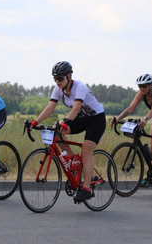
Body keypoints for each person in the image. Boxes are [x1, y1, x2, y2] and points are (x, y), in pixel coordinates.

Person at [28, 61, 107, 203]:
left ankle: (86, 189)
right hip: (81, 119)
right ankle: (73, 160)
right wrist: (35, 122)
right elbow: (49, 108)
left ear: (69, 76)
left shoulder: (80, 87)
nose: (57, 81)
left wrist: (64, 122)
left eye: (60, 78)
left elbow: (76, 108)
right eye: (55, 78)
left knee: (86, 150)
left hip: (96, 119)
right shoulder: (58, 89)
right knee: (56, 133)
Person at [111, 73, 152, 187]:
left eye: (144, 86)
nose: (142, 89)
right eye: (140, 86)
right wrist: (118, 118)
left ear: (151, 85)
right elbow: (130, 109)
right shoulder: (141, 94)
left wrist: (145, 119)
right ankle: (151, 175)